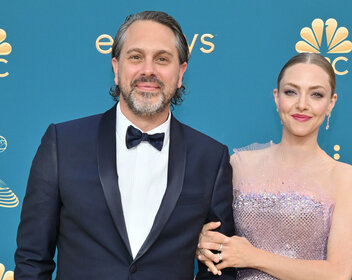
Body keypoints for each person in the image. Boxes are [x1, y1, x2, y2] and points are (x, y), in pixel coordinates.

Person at [14, 11, 236, 280]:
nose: (148, 70)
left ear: (181, 73)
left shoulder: (211, 157)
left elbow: (218, 268)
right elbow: (32, 260)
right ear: (116, 69)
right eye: (136, 57)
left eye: (162, 59)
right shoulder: (62, 144)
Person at [196, 53, 352, 280]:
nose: (302, 104)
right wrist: (201, 241)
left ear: (331, 103)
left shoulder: (344, 178)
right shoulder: (239, 164)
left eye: (316, 94)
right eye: (291, 92)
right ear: (276, 98)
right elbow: (215, 240)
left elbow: (338, 274)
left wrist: (253, 256)